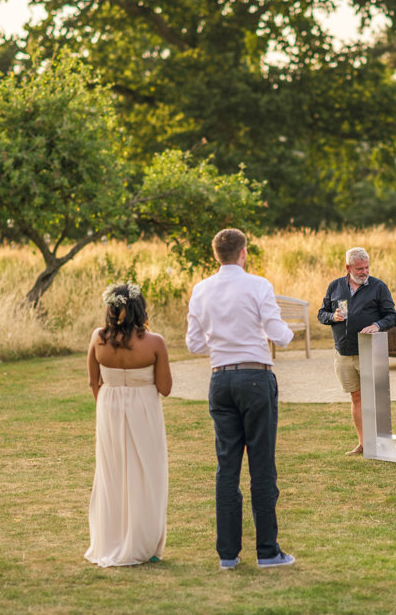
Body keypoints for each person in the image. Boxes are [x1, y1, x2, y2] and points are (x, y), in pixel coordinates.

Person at [186, 228, 296, 570]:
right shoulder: (258, 285)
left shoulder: (201, 289)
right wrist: (286, 333)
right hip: (255, 377)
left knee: (227, 467)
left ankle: (228, 555)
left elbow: (193, 343)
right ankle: (267, 552)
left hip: (220, 379)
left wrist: (222, 341)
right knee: (261, 465)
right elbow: (279, 334)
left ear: (216, 254)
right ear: (243, 252)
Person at [85, 282, 171, 567]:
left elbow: (93, 381)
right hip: (144, 410)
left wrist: (107, 405)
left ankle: (111, 539)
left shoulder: (98, 338)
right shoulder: (155, 342)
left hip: (108, 408)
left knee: (113, 474)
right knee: (148, 474)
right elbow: (165, 388)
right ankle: (146, 544)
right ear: (139, 309)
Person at [317, 247, 396, 455]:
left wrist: (377, 326)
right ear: (348, 268)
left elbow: (392, 316)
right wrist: (332, 316)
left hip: (369, 350)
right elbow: (321, 313)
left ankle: (381, 443)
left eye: (367, 267)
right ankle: (363, 444)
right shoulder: (335, 286)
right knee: (356, 397)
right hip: (344, 352)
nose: (364, 272)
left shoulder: (378, 287)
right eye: (360, 269)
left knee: (374, 397)